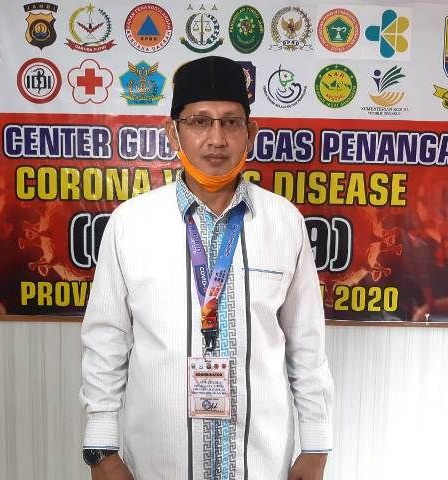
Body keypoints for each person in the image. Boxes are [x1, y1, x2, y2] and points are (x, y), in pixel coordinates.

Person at [80, 56, 333, 480]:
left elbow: (306, 343)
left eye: (230, 122)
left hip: (259, 462)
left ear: (250, 133)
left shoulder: (283, 222)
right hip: (160, 461)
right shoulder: (130, 225)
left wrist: (316, 444)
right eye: (200, 121)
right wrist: (101, 447)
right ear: (173, 132)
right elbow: (106, 340)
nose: (216, 138)